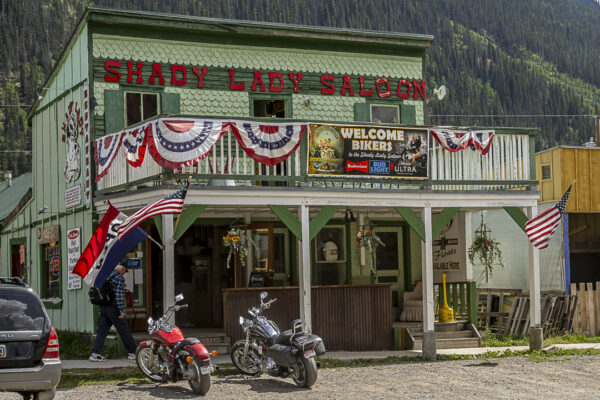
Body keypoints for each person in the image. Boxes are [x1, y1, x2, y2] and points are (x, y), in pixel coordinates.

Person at [89, 264, 137, 361]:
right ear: (122, 269)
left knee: (102, 331)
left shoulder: (105, 275)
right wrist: (122, 310)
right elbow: (119, 295)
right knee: (124, 330)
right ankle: (133, 353)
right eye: (124, 271)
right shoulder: (119, 278)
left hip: (103, 307)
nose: (124, 273)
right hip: (113, 308)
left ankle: (95, 353)